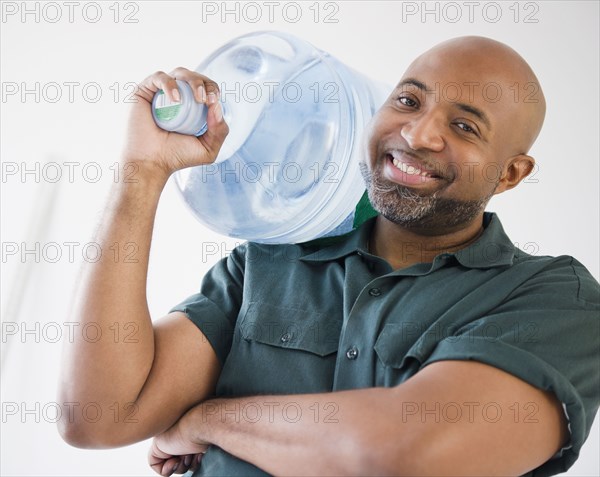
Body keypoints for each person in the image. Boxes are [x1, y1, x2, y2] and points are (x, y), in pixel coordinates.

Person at [58, 36, 599, 477]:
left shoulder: (554, 301)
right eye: (408, 101)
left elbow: (399, 453)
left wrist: (207, 421)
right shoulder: (271, 262)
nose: (417, 133)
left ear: (510, 174)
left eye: (464, 126)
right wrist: (141, 174)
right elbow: (96, 417)